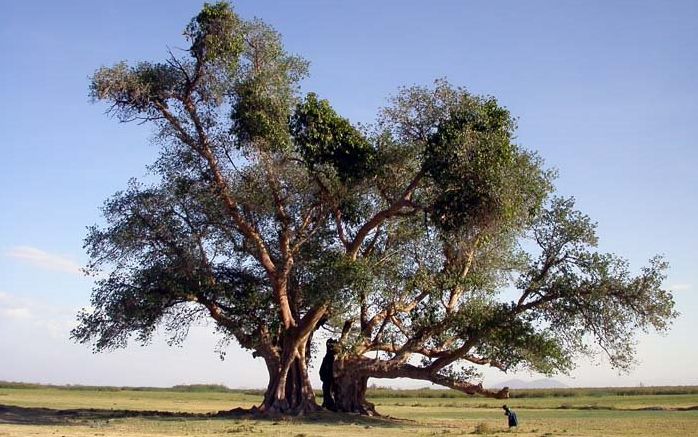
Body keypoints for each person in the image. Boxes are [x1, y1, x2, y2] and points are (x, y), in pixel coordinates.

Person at [319, 339, 337, 411]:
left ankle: (331, 405)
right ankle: (328, 405)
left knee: (329, 391)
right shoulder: (329, 356)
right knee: (327, 391)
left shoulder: (331, 357)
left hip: (330, 378)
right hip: (327, 378)